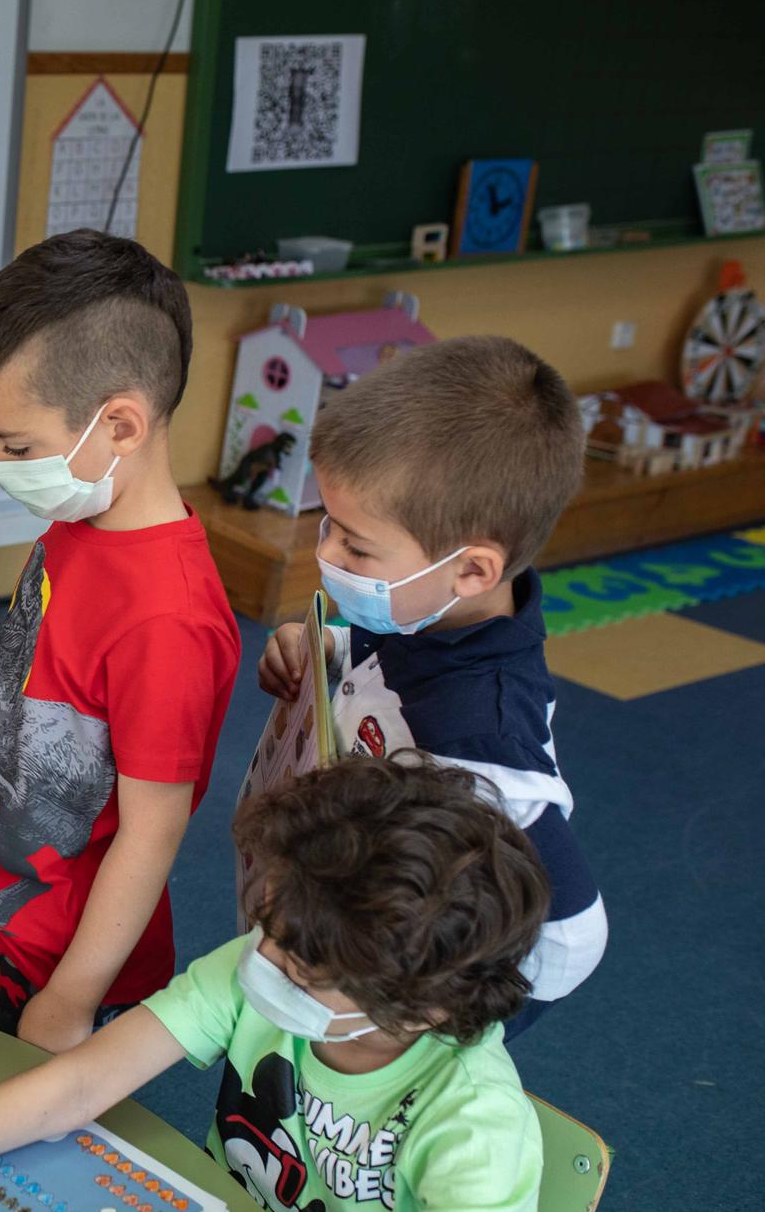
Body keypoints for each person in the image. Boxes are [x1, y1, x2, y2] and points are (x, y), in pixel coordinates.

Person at [0, 756, 552, 1212]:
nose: (262, 962)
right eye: (265, 931)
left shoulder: (475, 1117)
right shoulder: (260, 972)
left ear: (419, 1008)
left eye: (300, 967)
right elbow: (70, 1088)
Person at [0, 230, 240, 1050]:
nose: (0, 464)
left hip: (55, 961)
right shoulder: (80, 520)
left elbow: (152, 831)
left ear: (122, 425)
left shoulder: (167, 618)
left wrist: (71, 997)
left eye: (17, 445)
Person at [258, 336, 606, 1037]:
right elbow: (376, 665)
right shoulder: (423, 603)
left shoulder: (479, 745)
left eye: (354, 545)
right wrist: (324, 649)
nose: (325, 554)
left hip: (420, 987)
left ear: (472, 570)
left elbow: (574, 934)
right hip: (368, 895)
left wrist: (439, 1013)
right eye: (327, 525)